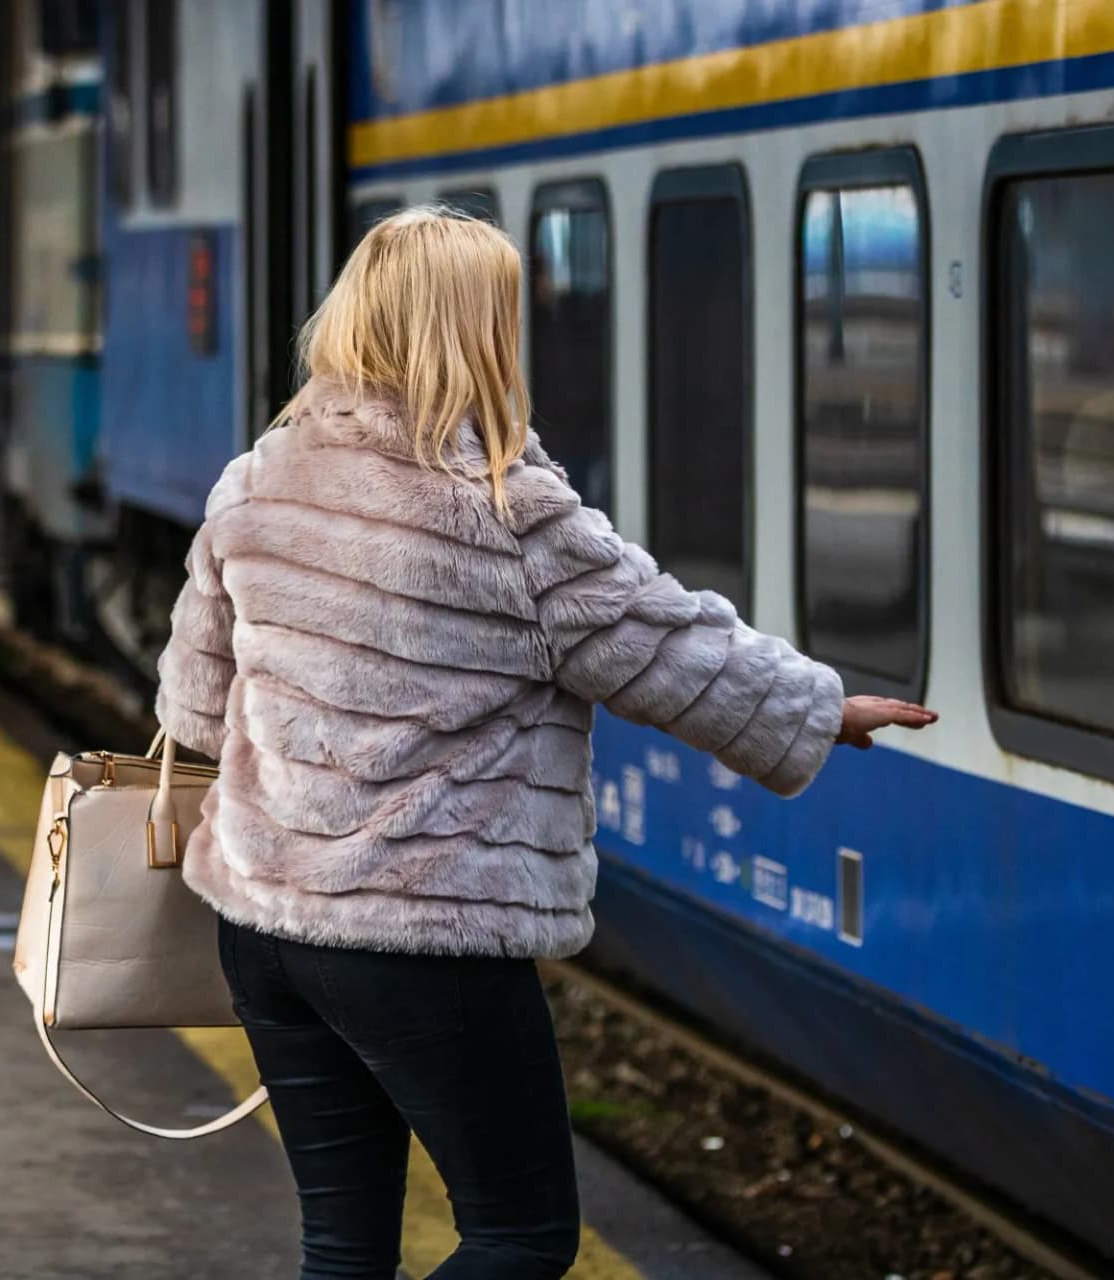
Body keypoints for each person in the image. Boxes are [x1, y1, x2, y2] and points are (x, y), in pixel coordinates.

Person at [154, 208, 935, 1280]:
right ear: (476, 331)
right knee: (518, 1233)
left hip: (268, 927)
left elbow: (195, 706)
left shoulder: (258, 478)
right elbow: (663, 639)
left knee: (342, 1246)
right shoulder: (506, 508)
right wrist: (821, 707)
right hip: (426, 940)